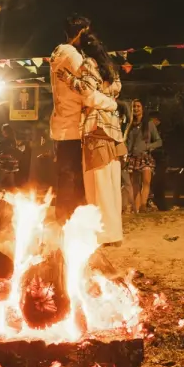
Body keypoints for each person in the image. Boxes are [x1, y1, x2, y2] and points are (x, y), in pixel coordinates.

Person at [50, 14, 118, 222]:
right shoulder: (74, 57)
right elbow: (88, 93)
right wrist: (112, 103)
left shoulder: (58, 53)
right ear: (81, 32)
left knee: (66, 177)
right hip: (74, 126)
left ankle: (64, 221)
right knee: (74, 178)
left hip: (61, 124)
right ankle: (69, 223)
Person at [76, 30, 124, 245]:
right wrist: (112, 102)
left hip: (96, 127)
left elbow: (88, 96)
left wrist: (110, 104)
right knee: (112, 184)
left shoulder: (88, 64)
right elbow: (115, 92)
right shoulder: (111, 68)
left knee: (98, 185)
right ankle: (115, 232)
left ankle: (105, 234)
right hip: (113, 129)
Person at [125, 99, 162, 213]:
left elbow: (159, 141)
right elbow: (127, 142)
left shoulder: (149, 124)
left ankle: (143, 205)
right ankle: (137, 208)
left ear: (142, 109)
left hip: (145, 157)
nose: (136, 108)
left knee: (146, 181)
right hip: (133, 157)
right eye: (134, 106)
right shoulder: (129, 125)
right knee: (135, 184)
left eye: (138, 106)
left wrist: (148, 146)